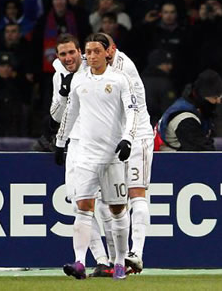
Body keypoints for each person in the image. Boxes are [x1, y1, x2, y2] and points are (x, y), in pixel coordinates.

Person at [55, 33, 138, 280]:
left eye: (96, 52)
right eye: (88, 52)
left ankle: (120, 262)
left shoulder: (121, 79)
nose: (91, 56)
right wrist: (60, 142)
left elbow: (133, 112)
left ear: (106, 53)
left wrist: (128, 139)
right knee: (83, 208)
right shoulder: (79, 82)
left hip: (113, 156)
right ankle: (80, 262)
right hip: (86, 156)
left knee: (117, 211)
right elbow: (70, 114)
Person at [50, 33, 114, 278]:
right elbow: (56, 114)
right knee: (78, 203)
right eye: (63, 54)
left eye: (72, 52)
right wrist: (65, 92)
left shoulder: (96, 68)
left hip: (100, 143)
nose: (68, 58)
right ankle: (101, 261)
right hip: (75, 144)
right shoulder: (59, 76)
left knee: (106, 206)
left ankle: (118, 258)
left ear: (81, 51)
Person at [101, 33, 154, 274]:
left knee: (136, 193)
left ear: (113, 48)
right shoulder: (94, 64)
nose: (105, 55)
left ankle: (137, 253)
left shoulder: (123, 68)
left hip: (137, 135)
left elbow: (128, 108)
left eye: (108, 50)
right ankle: (115, 259)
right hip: (114, 139)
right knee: (111, 200)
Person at [155, 69, 222, 151]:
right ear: (202, 97)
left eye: (220, 96)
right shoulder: (185, 119)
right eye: (215, 97)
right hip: (168, 160)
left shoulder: (195, 106)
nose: (219, 101)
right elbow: (203, 153)